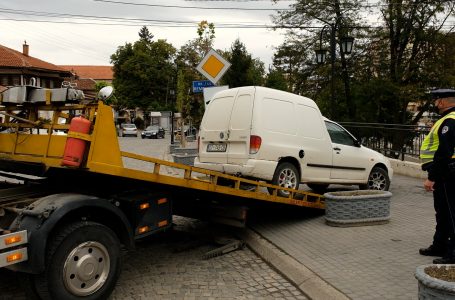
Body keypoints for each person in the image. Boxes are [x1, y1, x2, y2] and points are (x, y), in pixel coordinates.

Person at [419, 88, 455, 263]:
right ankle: (439, 245)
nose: (434, 104)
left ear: (442, 102)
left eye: (436, 100)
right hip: (446, 172)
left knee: (450, 213)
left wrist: (431, 177)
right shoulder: (448, 119)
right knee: (442, 212)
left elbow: (444, 153)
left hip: (447, 174)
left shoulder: (450, 120)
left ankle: (453, 254)